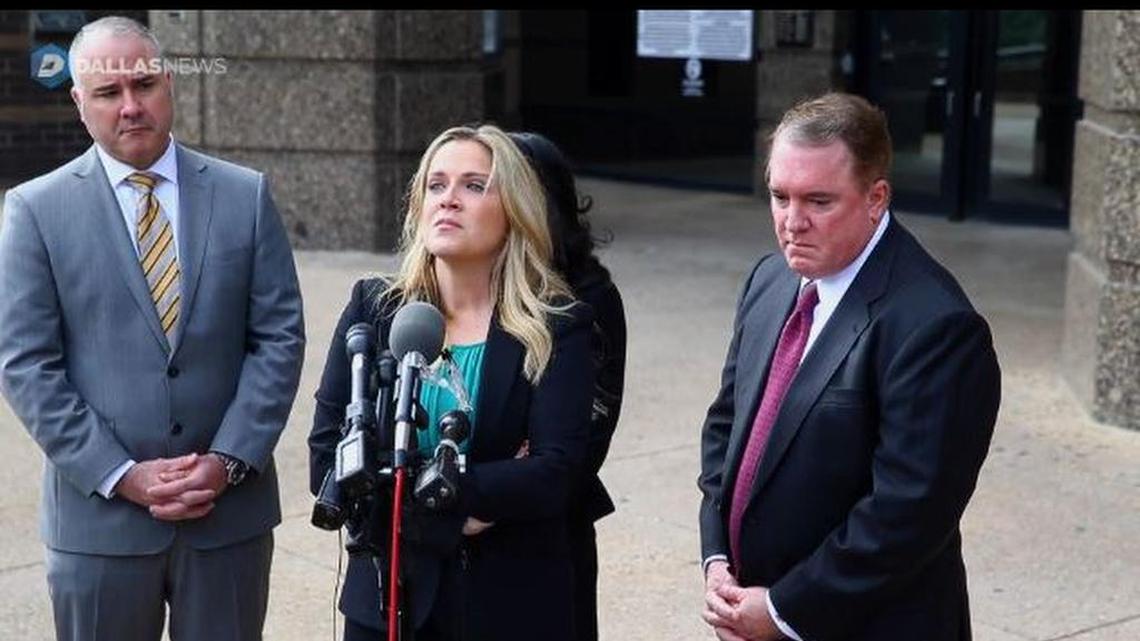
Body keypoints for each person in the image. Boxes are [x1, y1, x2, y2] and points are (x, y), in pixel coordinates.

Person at [0, 16, 305, 641]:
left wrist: (228, 460)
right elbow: (26, 363)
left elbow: (278, 337)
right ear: (79, 102)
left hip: (228, 517)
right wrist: (120, 474)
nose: (130, 106)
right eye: (108, 93)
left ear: (169, 83)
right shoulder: (35, 211)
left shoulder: (244, 195)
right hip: (98, 526)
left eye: (143, 85)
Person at [698, 92, 1001, 641]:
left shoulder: (938, 327)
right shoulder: (769, 279)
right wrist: (717, 559)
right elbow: (727, 429)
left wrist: (783, 610)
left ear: (876, 198)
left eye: (819, 201)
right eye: (779, 196)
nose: (793, 223)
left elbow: (907, 515)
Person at [308, 124, 595, 641]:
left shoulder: (558, 327)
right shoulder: (373, 311)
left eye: (474, 185)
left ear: (514, 211)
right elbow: (329, 459)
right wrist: (474, 497)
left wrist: (406, 489)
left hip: (509, 605)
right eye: (436, 185)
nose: (449, 199)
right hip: (386, 603)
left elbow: (555, 475)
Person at [510, 131, 627, 641]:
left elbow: (581, 441)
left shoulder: (589, 299)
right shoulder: (466, 283)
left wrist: (496, 484)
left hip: (549, 530)